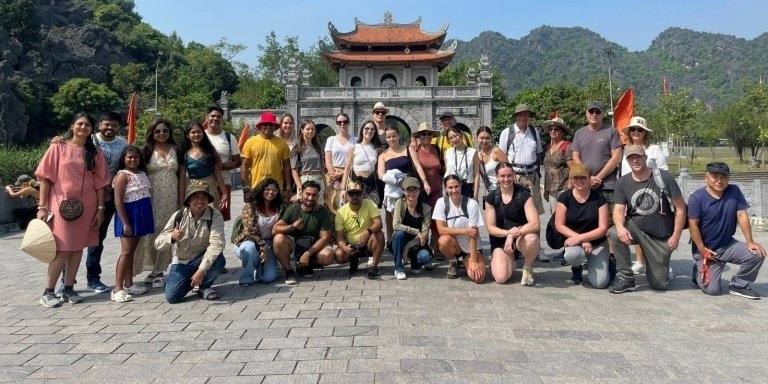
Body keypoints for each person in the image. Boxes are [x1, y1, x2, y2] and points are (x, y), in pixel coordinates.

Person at [34, 112, 110, 307]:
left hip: (88, 206)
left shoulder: (96, 153)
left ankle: (68, 289)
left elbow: (100, 183)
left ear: (92, 129)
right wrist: (42, 206)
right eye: (80, 124)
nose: (83, 127)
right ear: (72, 125)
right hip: (61, 205)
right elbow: (45, 177)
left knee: (77, 249)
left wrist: (101, 209)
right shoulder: (58, 147)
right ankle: (48, 291)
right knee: (62, 249)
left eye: (87, 125)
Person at [608, 145, 686, 294]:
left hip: (659, 235)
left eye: (638, 156)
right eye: (631, 158)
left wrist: (676, 236)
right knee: (614, 233)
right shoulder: (622, 182)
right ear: (627, 160)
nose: (635, 160)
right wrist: (620, 227)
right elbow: (618, 209)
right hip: (635, 226)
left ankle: (660, 269)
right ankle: (625, 278)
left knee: (659, 285)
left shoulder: (663, 177)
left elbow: (681, 208)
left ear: (645, 157)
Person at [688, 162, 766, 299]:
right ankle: (697, 271)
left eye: (723, 177)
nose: (719, 180)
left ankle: (739, 285)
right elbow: (692, 224)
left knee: (757, 254)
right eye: (715, 176)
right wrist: (702, 249)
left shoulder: (734, 191)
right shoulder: (697, 198)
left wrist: (750, 242)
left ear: (728, 179)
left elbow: (742, 215)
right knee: (712, 290)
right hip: (707, 250)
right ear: (706, 178)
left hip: (728, 245)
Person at [155, 180, 226, 303]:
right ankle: (192, 282)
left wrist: (201, 270)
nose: (200, 201)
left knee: (219, 259)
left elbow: (217, 244)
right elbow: (158, 244)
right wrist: (171, 237)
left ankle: (203, 286)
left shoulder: (215, 215)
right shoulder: (179, 216)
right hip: (182, 261)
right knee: (172, 297)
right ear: (188, 200)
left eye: (203, 197)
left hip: (202, 258)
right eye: (195, 197)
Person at [135, 119, 184, 288]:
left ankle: (160, 270)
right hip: (150, 196)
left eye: (164, 130)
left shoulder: (176, 150)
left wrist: (182, 199)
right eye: (157, 131)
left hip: (171, 197)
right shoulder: (145, 151)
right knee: (151, 231)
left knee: (167, 229)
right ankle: (153, 269)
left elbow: (182, 177)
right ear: (152, 133)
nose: (161, 134)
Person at [618, 116, 669, 276]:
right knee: (635, 226)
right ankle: (640, 261)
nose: (636, 132)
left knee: (655, 229)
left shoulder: (654, 150)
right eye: (633, 129)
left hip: (652, 193)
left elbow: (663, 172)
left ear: (645, 133)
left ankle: (661, 263)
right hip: (631, 193)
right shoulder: (624, 150)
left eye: (640, 129)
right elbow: (623, 174)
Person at [85, 112, 128, 294]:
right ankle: (66, 279)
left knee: (97, 239)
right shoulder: (89, 140)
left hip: (109, 199)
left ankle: (93, 278)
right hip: (86, 198)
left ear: (118, 127)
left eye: (114, 125)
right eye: (106, 124)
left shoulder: (123, 144)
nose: (110, 128)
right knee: (74, 240)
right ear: (99, 124)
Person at [554, 164, 610, 288]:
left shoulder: (599, 198)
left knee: (600, 283)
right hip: (574, 242)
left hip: (597, 242)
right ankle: (576, 268)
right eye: (576, 178)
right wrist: (580, 240)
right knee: (572, 255)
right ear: (571, 179)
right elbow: (559, 225)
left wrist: (582, 238)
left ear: (589, 178)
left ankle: (607, 262)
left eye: (583, 178)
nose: (580, 181)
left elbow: (603, 228)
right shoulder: (565, 197)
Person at [484, 163, 540, 285]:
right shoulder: (491, 198)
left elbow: (535, 224)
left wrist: (512, 235)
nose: (506, 179)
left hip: (521, 238)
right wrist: (507, 233)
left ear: (514, 175)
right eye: (502, 176)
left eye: (509, 175)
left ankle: (528, 267)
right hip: (500, 241)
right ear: (497, 177)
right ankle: (508, 259)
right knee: (500, 278)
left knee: (532, 239)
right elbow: (491, 228)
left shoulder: (524, 195)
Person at [111, 145, 154, 302]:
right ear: (124, 158)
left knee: (132, 252)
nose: (133, 159)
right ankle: (117, 288)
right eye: (129, 157)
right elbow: (118, 200)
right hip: (129, 216)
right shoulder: (122, 175)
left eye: (136, 157)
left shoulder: (142, 173)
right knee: (126, 252)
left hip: (141, 216)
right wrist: (125, 223)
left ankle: (129, 283)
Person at [272, 180, 335, 283]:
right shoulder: (292, 208)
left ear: (318, 196)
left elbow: (325, 237)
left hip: (313, 246)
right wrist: (292, 226)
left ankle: (305, 264)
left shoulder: (322, 211)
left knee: (328, 256)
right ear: (301, 194)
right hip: (295, 245)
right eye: (308, 194)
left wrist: (307, 254)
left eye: (314, 195)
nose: (310, 198)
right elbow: (275, 229)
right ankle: (289, 272)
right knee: (278, 238)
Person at [378, 125, 430, 243]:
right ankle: (392, 242)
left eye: (394, 136)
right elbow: (381, 175)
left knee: (409, 213)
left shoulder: (408, 149)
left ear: (399, 136)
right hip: (392, 189)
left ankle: (413, 240)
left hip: (409, 188)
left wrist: (425, 182)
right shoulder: (383, 155)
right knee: (391, 216)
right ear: (386, 138)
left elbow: (417, 166)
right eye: (389, 137)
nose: (392, 139)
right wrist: (394, 180)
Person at [433, 175, 486, 283]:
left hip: (471, 248)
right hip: (454, 245)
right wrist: (466, 230)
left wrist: (474, 260)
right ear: (445, 189)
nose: (454, 190)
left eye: (456, 186)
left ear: (461, 186)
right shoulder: (441, 203)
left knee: (478, 278)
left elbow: (473, 234)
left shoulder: (472, 204)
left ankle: (467, 261)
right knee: (443, 241)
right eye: (450, 188)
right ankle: (454, 261)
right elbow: (441, 230)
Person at [232, 178, 283, 286]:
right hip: (249, 241)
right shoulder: (251, 206)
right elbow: (250, 231)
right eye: (267, 189)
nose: (271, 192)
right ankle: (247, 277)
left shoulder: (279, 207)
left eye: (274, 190)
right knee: (249, 248)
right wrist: (263, 247)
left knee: (268, 278)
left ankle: (260, 269)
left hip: (269, 243)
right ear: (261, 190)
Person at [498, 104, 545, 215]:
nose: (523, 117)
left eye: (526, 115)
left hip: (532, 176)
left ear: (529, 117)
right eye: (521, 115)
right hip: (515, 176)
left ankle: (533, 231)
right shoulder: (506, 133)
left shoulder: (534, 132)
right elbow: (501, 156)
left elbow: (538, 154)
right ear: (516, 116)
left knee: (533, 210)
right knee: (516, 209)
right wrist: (509, 176)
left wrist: (538, 174)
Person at [334, 181, 385, 279]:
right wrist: (345, 248)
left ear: (363, 195)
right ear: (346, 196)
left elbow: (379, 223)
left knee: (379, 235)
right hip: (352, 245)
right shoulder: (341, 212)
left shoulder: (370, 204)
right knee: (339, 255)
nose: (354, 196)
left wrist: (368, 231)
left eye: (358, 193)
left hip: (368, 243)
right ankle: (353, 260)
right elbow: (339, 237)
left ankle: (373, 267)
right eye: (351, 193)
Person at [241, 111, 292, 198]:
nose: (268, 127)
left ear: (275, 127)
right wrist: (246, 189)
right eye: (265, 124)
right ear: (261, 126)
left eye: (271, 124)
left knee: (276, 211)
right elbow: (244, 167)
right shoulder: (250, 142)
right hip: (256, 187)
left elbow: (287, 166)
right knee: (255, 211)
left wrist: (288, 187)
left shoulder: (282, 144)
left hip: (276, 189)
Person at [391, 177, 433, 279]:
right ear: (403, 191)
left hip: (416, 243)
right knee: (398, 233)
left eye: (415, 189)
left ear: (419, 191)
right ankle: (399, 268)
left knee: (425, 257)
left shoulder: (426, 208)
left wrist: (407, 248)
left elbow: (424, 234)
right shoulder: (400, 204)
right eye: (408, 190)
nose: (412, 193)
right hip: (399, 242)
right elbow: (396, 225)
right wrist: (416, 231)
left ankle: (415, 264)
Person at [204, 106, 241, 221]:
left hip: (223, 184)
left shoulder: (229, 138)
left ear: (222, 119)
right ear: (206, 117)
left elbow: (237, 161)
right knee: (201, 217)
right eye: (212, 116)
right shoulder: (199, 136)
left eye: (218, 117)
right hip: (202, 184)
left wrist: (222, 166)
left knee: (220, 219)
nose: (215, 119)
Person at [340, 120, 382, 205]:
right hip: (356, 184)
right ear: (362, 130)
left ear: (375, 132)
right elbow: (347, 169)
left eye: (372, 129)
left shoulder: (377, 149)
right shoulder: (353, 147)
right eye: (367, 128)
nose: (369, 131)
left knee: (371, 213)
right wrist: (343, 189)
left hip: (371, 185)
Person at [324, 112, 355, 213]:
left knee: (348, 203)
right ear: (336, 124)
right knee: (330, 201)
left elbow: (356, 163)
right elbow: (328, 161)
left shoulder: (355, 140)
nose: (342, 124)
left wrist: (342, 173)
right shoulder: (331, 139)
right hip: (333, 173)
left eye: (345, 122)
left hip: (349, 173)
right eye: (339, 122)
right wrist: (334, 175)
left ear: (348, 123)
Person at [291, 120, 326, 206]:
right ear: (302, 130)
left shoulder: (317, 147)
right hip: (305, 179)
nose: (310, 131)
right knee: (305, 206)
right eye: (308, 129)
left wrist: (326, 187)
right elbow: (294, 170)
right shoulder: (297, 148)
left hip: (319, 180)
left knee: (318, 207)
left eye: (313, 129)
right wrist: (300, 188)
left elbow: (322, 169)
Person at [541, 117, 572, 214]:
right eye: (551, 129)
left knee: (564, 216)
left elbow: (573, 168)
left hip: (564, 188)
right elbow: (547, 170)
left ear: (563, 132)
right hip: (551, 189)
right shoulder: (547, 147)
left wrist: (570, 185)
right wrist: (546, 189)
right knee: (554, 217)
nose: (553, 131)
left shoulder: (567, 146)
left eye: (556, 129)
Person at [443, 126, 480, 199]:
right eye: (451, 138)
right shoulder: (447, 153)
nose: (454, 139)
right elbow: (447, 173)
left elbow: (476, 175)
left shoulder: (472, 152)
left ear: (461, 135)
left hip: (467, 188)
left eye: (455, 136)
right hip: (452, 189)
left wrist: (475, 195)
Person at [476, 126, 509, 194]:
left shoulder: (496, 151)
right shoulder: (478, 156)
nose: (484, 141)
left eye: (487, 138)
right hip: (491, 192)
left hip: (504, 189)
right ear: (477, 138)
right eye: (482, 138)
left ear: (491, 138)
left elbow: (509, 170)